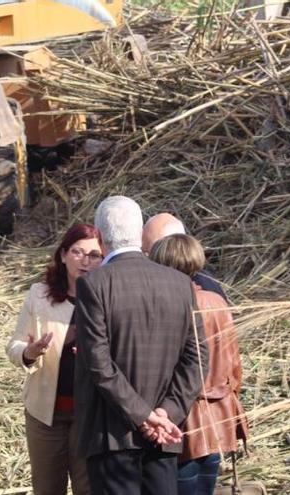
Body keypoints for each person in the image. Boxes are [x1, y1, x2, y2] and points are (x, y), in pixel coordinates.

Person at [74, 196, 209, 495]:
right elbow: (197, 358)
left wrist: (144, 415)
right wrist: (166, 413)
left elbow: (98, 363)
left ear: (98, 234)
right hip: (164, 435)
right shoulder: (180, 283)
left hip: (111, 435)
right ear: (139, 233)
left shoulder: (93, 284)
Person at [6, 223, 104, 495]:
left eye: (94, 255)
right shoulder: (40, 295)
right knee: (48, 488)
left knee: (89, 488)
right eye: (77, 252)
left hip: (90, 416)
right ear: (62, 255)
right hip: (45, 415)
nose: (85, 261)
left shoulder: (107, 297)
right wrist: (29, 352)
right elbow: (14, 345)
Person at [150, 234, 249, 495]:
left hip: (181, 421)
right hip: (217, 418)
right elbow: (234, 364)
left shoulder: (170, 304)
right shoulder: (217, 301)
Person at [141, 213, 227, 302]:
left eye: (148, 252)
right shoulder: (206, 283)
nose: (144, 258)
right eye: (142, 251)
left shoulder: (201, 290)